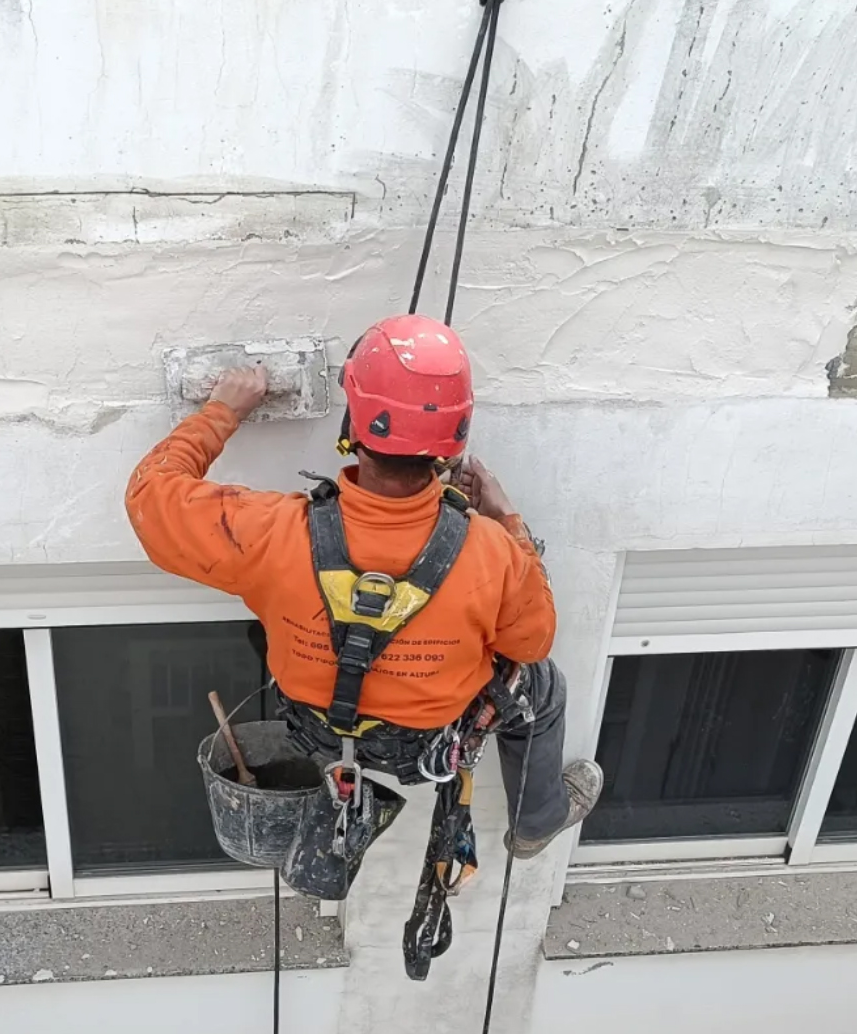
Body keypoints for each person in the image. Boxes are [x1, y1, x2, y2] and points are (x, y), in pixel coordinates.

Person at [125, 314, 600, 861]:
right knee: (540, 681)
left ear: (355, 423)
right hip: (424, 745)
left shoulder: (274, 533)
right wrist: (507, 518)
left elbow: (150, 497)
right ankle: (536, 822)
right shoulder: (492, 552)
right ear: (452, 442)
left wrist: (223, 411)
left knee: (278, 609)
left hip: (316, 732)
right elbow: (531, 644)